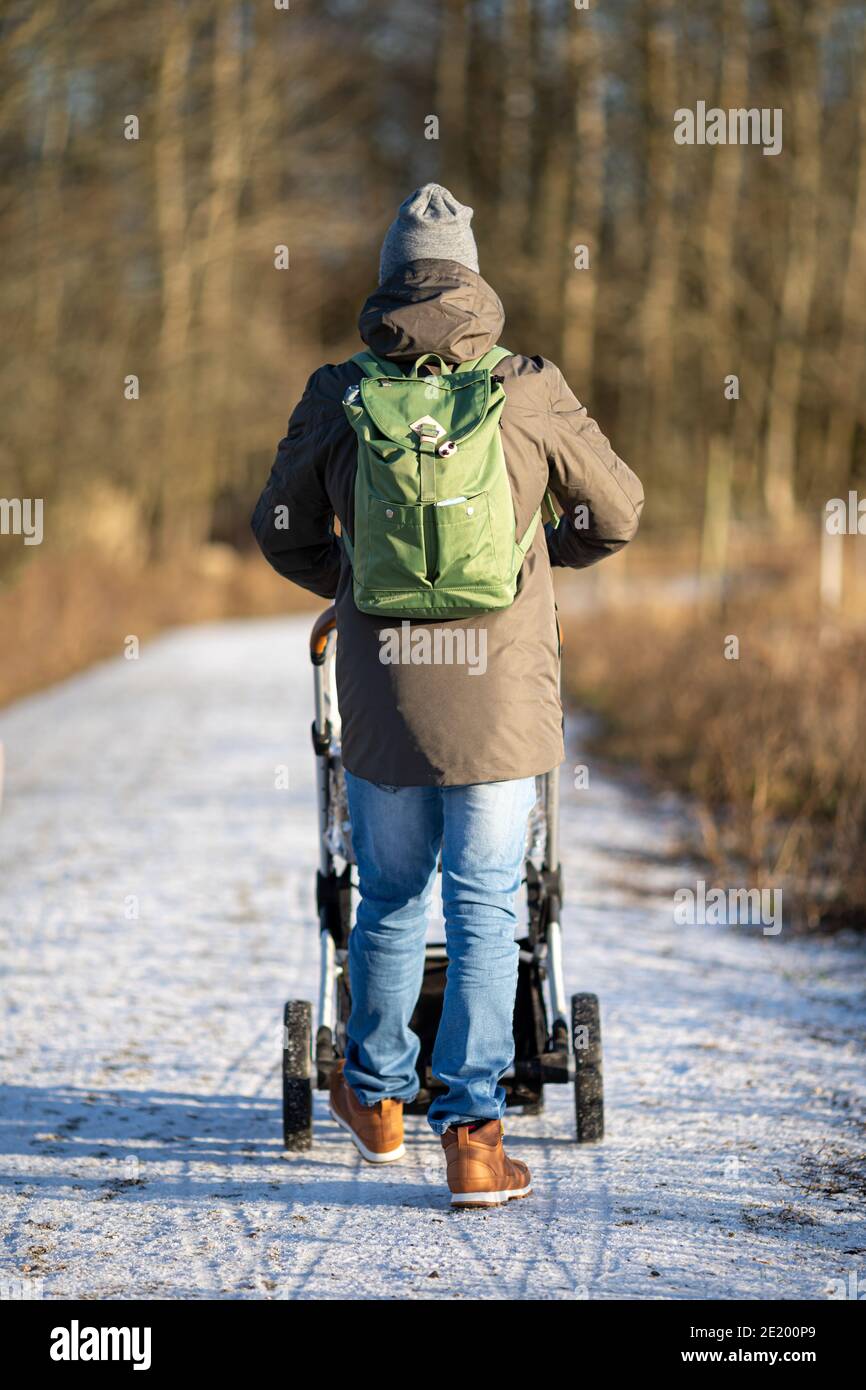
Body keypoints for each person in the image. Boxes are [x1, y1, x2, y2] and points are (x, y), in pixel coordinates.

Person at [252, 183, 643, 1207]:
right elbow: (618, 511)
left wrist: (349, 584)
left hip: (384, 687)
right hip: (503, 686)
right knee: (486, 904)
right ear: (473, 277)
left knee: (385, 896)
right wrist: (534, 563)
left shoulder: (339, 389)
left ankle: (377, 1102)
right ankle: (472, 1136)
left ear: (387, 279)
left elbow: (280, 525)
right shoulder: (526, 387)